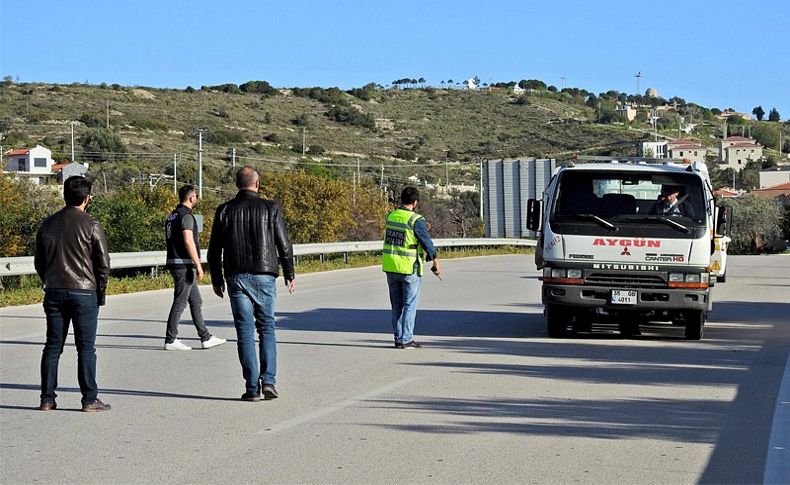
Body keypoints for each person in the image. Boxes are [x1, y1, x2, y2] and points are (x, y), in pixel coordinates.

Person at [208, 167, 295, 402]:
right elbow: (284, 244)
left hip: (236, 276)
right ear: (257, 184)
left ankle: (251, 388)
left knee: (245, 331)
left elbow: (214, 250)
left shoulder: (224, 210)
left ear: (238, 185)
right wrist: (289, 272)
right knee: (267, 327)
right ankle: (269, 381)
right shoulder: (271, 208)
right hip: (265, 274)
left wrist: (217, 280)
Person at [34, 176, 111, 412]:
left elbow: (39, 262)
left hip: (54, 291)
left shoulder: (48, 224)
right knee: (86, 348)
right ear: (87, 198)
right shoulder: (91, 224)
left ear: (64, 195)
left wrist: (49, 281)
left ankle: (47, 398)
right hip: (84, 293)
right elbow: (103, 264)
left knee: (52, 346)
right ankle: (89, 399)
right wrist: (100, 291)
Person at [164, 184, 226, 351]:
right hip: (184, 264)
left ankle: (205, 337)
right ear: (192, 198)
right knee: (180, 301)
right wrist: (198, 265)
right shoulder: (186, 216)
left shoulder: (172, 216)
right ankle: (171, 339)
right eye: (196, 196)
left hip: (176, 262)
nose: (197, 199)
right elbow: (188, 241)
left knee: (195, 300)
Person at [382, 186, 440, 349]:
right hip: (409, 268)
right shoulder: (416, 220)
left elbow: (402, 234)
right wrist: (435, 260)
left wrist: (422, 227)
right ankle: (406, 338)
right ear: (415, 202)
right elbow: (426, 241)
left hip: (391, 266)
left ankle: (398, 338)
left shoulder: (391, 216)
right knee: (409, 305)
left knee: (396, 306)